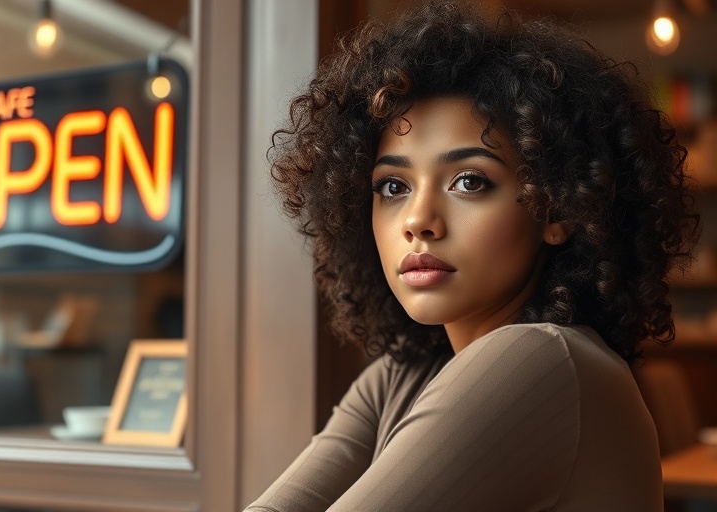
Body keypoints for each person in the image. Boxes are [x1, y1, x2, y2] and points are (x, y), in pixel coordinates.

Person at [245, 2, 699, 511]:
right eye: (393, 185)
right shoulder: (401, 376)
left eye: (469, 181)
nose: (418, 219)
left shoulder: (543, 361)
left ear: (559, 209)